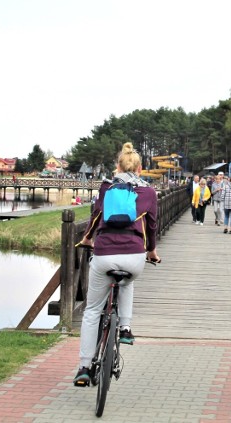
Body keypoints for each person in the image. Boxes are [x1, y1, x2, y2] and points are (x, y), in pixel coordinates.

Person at [73, 142, 161, 386]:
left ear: (117, 167)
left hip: (104, 253)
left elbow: (95, 217)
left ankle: (83, 367)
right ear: (141, 169)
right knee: (128, 281)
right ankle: (125, 328)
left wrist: (88, 238)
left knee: (92, 311)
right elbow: (152, 226)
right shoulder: (149, 193)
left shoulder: (106, 188)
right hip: (134, 254)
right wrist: (151, 251)